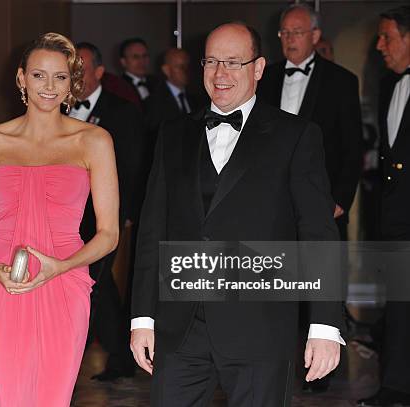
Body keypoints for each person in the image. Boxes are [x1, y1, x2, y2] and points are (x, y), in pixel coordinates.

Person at [130, 22, 344, 406]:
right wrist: (142, 319)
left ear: (258, 68)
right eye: (211, 61)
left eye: (233, 62)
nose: (220, 73)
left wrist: (325, 323)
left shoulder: (296, 135)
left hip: (260, 328)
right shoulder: (173, 134)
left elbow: (318, 233)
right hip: (180, 327)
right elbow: (151, 231)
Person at [0, 33, 119, 406]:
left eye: (60, 77)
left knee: (53, 397)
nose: (49, 87)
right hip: (6, 280)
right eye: (38, 76)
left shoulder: (94, 141)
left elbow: (109, 233)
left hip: (66, 280)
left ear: (71, 84)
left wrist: (61, 266)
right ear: (21, 79)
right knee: (13, 397)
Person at [71, 42, 146, 381]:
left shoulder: (122, 111)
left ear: (100, 72)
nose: (75, 76)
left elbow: (131, 166)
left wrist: (125, 211)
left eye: (81, 69)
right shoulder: (55, 107)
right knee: (100, 285)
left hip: (104, 213)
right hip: (66, 214)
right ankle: (119, 358)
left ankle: (76, 352)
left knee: (93, 283)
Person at [258, 3, 362, 242]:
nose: (289, 38)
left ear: (315, 36)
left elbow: (352, 148)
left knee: (322, 275)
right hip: (272, 206)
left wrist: (340, 201)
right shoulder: (263, 79)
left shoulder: (341, 81)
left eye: (297, 32)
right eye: (284, 32)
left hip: (322, 204)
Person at [357, 6, 410, 407]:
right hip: (396, 219)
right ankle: (395, 385)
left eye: (387, 37)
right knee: (398, 306)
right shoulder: (391, 86)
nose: (380, 46)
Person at [145, 48, 199, 166]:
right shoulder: (153, 102)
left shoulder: (196, 100)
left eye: (187, 66)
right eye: (180, 67)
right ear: (166, 70)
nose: (186, 71)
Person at [120, 37, 157, 102]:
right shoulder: (118, 87)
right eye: (135, 57)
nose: (142, 61)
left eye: (145, 56)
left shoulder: (158, 83)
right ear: (123, 62)